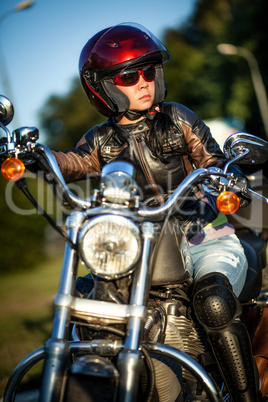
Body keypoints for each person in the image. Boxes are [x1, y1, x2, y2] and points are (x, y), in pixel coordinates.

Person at [50, 23, 261, 400]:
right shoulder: (100, 140)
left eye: (149, 71)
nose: (144, 81)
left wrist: (228, 177)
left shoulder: (178, 119)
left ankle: (249, 397)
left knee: (213, 300)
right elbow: (73, 162)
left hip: (204, 236)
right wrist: (35, 155)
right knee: (92, 299)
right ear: (104, 86)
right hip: (143, 249)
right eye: (130, 75)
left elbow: (211, 158)